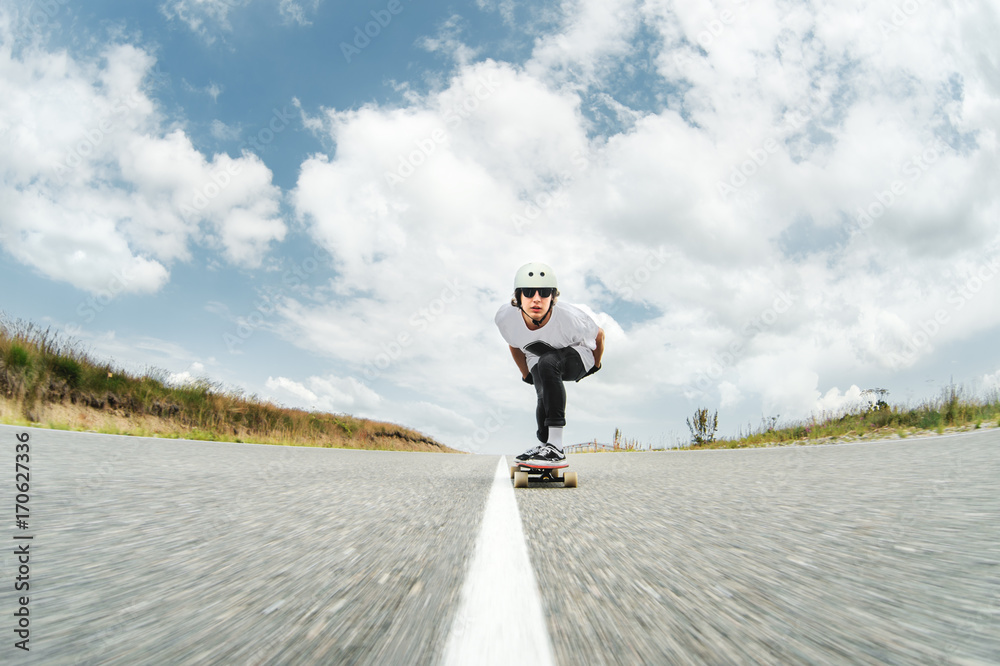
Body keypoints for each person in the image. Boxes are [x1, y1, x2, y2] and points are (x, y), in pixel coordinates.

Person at [494, 262, 605, 462]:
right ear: (518, 298)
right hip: (540, 357)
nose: (536, 299)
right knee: (541, 391)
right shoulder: (505, 318)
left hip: (579, 356)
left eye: (544, 292)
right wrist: (526, 374)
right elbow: (514, 345)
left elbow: (600, 336)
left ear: (553, 298)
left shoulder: (571, 318)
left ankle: (557, 447)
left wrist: (595, 366)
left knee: (548, 362)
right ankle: (545, 444)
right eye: (528, 292)